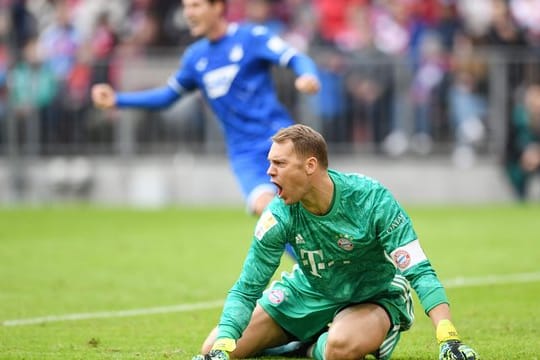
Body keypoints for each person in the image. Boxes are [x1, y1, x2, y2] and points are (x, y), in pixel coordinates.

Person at [192, 124, 480, 360]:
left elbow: (418, 268)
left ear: (310, 165)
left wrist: (448, 338)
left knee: (339, 348)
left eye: (279, 163)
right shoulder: (277, 215)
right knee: (216, 346)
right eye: (270, 163)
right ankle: (307, 341)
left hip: (372, 295)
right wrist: (222, 347)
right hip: (310, 291)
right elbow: (246, 289)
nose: (269, 172)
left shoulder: (370, 199)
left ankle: (310, 347)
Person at [91, 0, 320, 219]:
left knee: (308, 210)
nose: (189, 13)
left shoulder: (251, 37)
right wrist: (117, 100)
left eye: (196, 5)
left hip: (281, 143)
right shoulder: (195, 57)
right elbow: (167, 97)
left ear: (218, 6)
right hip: (244, 154)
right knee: (270, 213)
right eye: (186, 6)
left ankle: (326, 257)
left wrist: (308, 75)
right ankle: (311, 260)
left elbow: (295, 58)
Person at [505, 83, 540, 200]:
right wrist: (526, 154)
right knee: (517, 172)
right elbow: (512, 144)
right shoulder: (518, 117)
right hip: (520, 160)